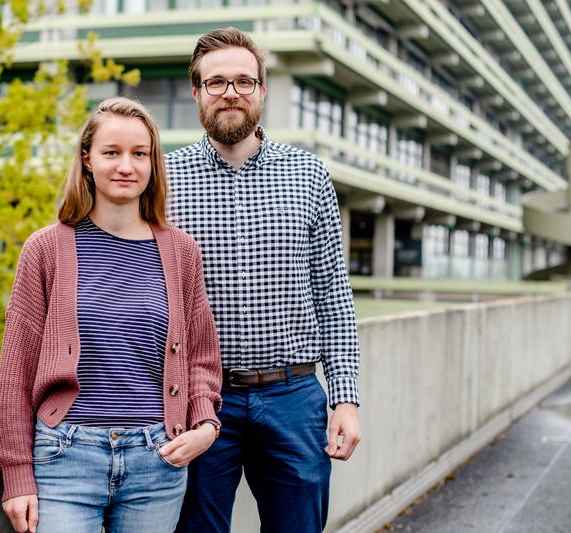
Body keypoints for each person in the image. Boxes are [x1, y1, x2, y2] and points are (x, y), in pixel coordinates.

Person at [0, 97, 222, 533]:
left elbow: (202, 357)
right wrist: (16, 472)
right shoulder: (45, 249)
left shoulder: (181, 251)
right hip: (64, 457)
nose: (125, 166)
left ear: (153, 163)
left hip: (159, 459)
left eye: (139, 153)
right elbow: (16, 369)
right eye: (111, 152)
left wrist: (205, 423)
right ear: (87, 159)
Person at [165, 28, 362, 532]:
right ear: (196, 93)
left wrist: (345, 398)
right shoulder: (164, 182)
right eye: (216, 83)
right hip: (200, 403)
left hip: (294, 398)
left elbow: (333, 298)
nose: (230, 92)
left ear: (262, 90)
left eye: (244, 81)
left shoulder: (310, 175)